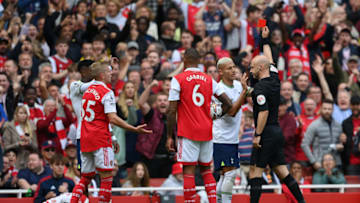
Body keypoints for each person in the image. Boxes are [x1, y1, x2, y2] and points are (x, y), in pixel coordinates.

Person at [70, 62, 151, 203]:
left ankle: (73, 201)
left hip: (85, 138)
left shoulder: (87, 91)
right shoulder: (106, 92)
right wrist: (133, 128)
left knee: (86, 177)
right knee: (107, 176)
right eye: (109, 72)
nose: (111, 74)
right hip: (100, 138)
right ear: (102, 75)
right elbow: (112, 118)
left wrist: (113, 137)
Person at [166, 48, 233, 203]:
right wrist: (216, 116)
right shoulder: (209, 79)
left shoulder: (178, 79)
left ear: (184, 60)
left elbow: (171, 111)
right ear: (199, 61)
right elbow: (228, 103)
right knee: (206, 170)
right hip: (207, 130)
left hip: (188, 131)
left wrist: (169, 136)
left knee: (188, 170)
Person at [248, 26, 305, 203]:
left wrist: (257, 134)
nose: (251, 70)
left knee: (255, 171)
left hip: (265, 133)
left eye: (253, 67)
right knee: (282, 171)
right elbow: (269, 58)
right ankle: (302, 202)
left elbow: (263, 112)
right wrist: (264, 40)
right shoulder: (274, 78)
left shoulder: (260, 88)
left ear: (261, 67)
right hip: (276, 131)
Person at [212, 57, 248, 203]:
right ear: (220, 71)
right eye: (229, 68)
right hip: (221, 138)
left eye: (234, 67)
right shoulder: (218, 90)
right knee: (230, 174)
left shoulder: (239, 86)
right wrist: (245, 91)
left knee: (224, 175)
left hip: (232, 139)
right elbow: (231, 112)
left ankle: (219, 201)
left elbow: (249, 92)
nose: (233, 70)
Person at [301, 100, 344, 170]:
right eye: (325, 108)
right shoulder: (314, 125)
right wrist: (313, 161)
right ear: (321, 109)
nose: (327, 111)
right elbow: (304, 144)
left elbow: (339, 145)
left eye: (329, 109)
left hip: (336, 163)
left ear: (333, 110)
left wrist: (341, 147)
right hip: (320, 163)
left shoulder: (338, 125)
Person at [69, 59, 94, 171]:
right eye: (93, 69)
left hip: (98, 135)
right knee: (83, 170)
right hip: (82, 134)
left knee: (99, 170)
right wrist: (108, 70)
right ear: (84, 71)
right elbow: (87, 87)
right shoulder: (74, 85)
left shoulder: (98, 87)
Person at [341, 95, 360, 175]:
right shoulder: (345, 123)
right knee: (352, 186)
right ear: (350, 106)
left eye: (357, 104)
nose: (355, 107)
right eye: (353, 104)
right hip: (351, 162)